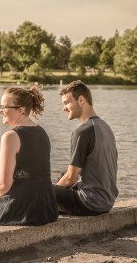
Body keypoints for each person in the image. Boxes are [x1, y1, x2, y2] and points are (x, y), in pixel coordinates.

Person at [0, 86, 58, 226]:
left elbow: (4, 185)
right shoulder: (42, 132)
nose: (0, 111)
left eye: (4, 107)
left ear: (21, 110)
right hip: (47, 207)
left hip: (26, 209)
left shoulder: (11, 136)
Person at [54, 80, 118, 216]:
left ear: (81, 99)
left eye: (66, 103)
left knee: (39, 190)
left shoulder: (82, 132)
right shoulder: (105, 127)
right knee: (62, 175)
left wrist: (50, 192)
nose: (64, 108)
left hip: (90, 203)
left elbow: (71, 179)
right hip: (107, 201)